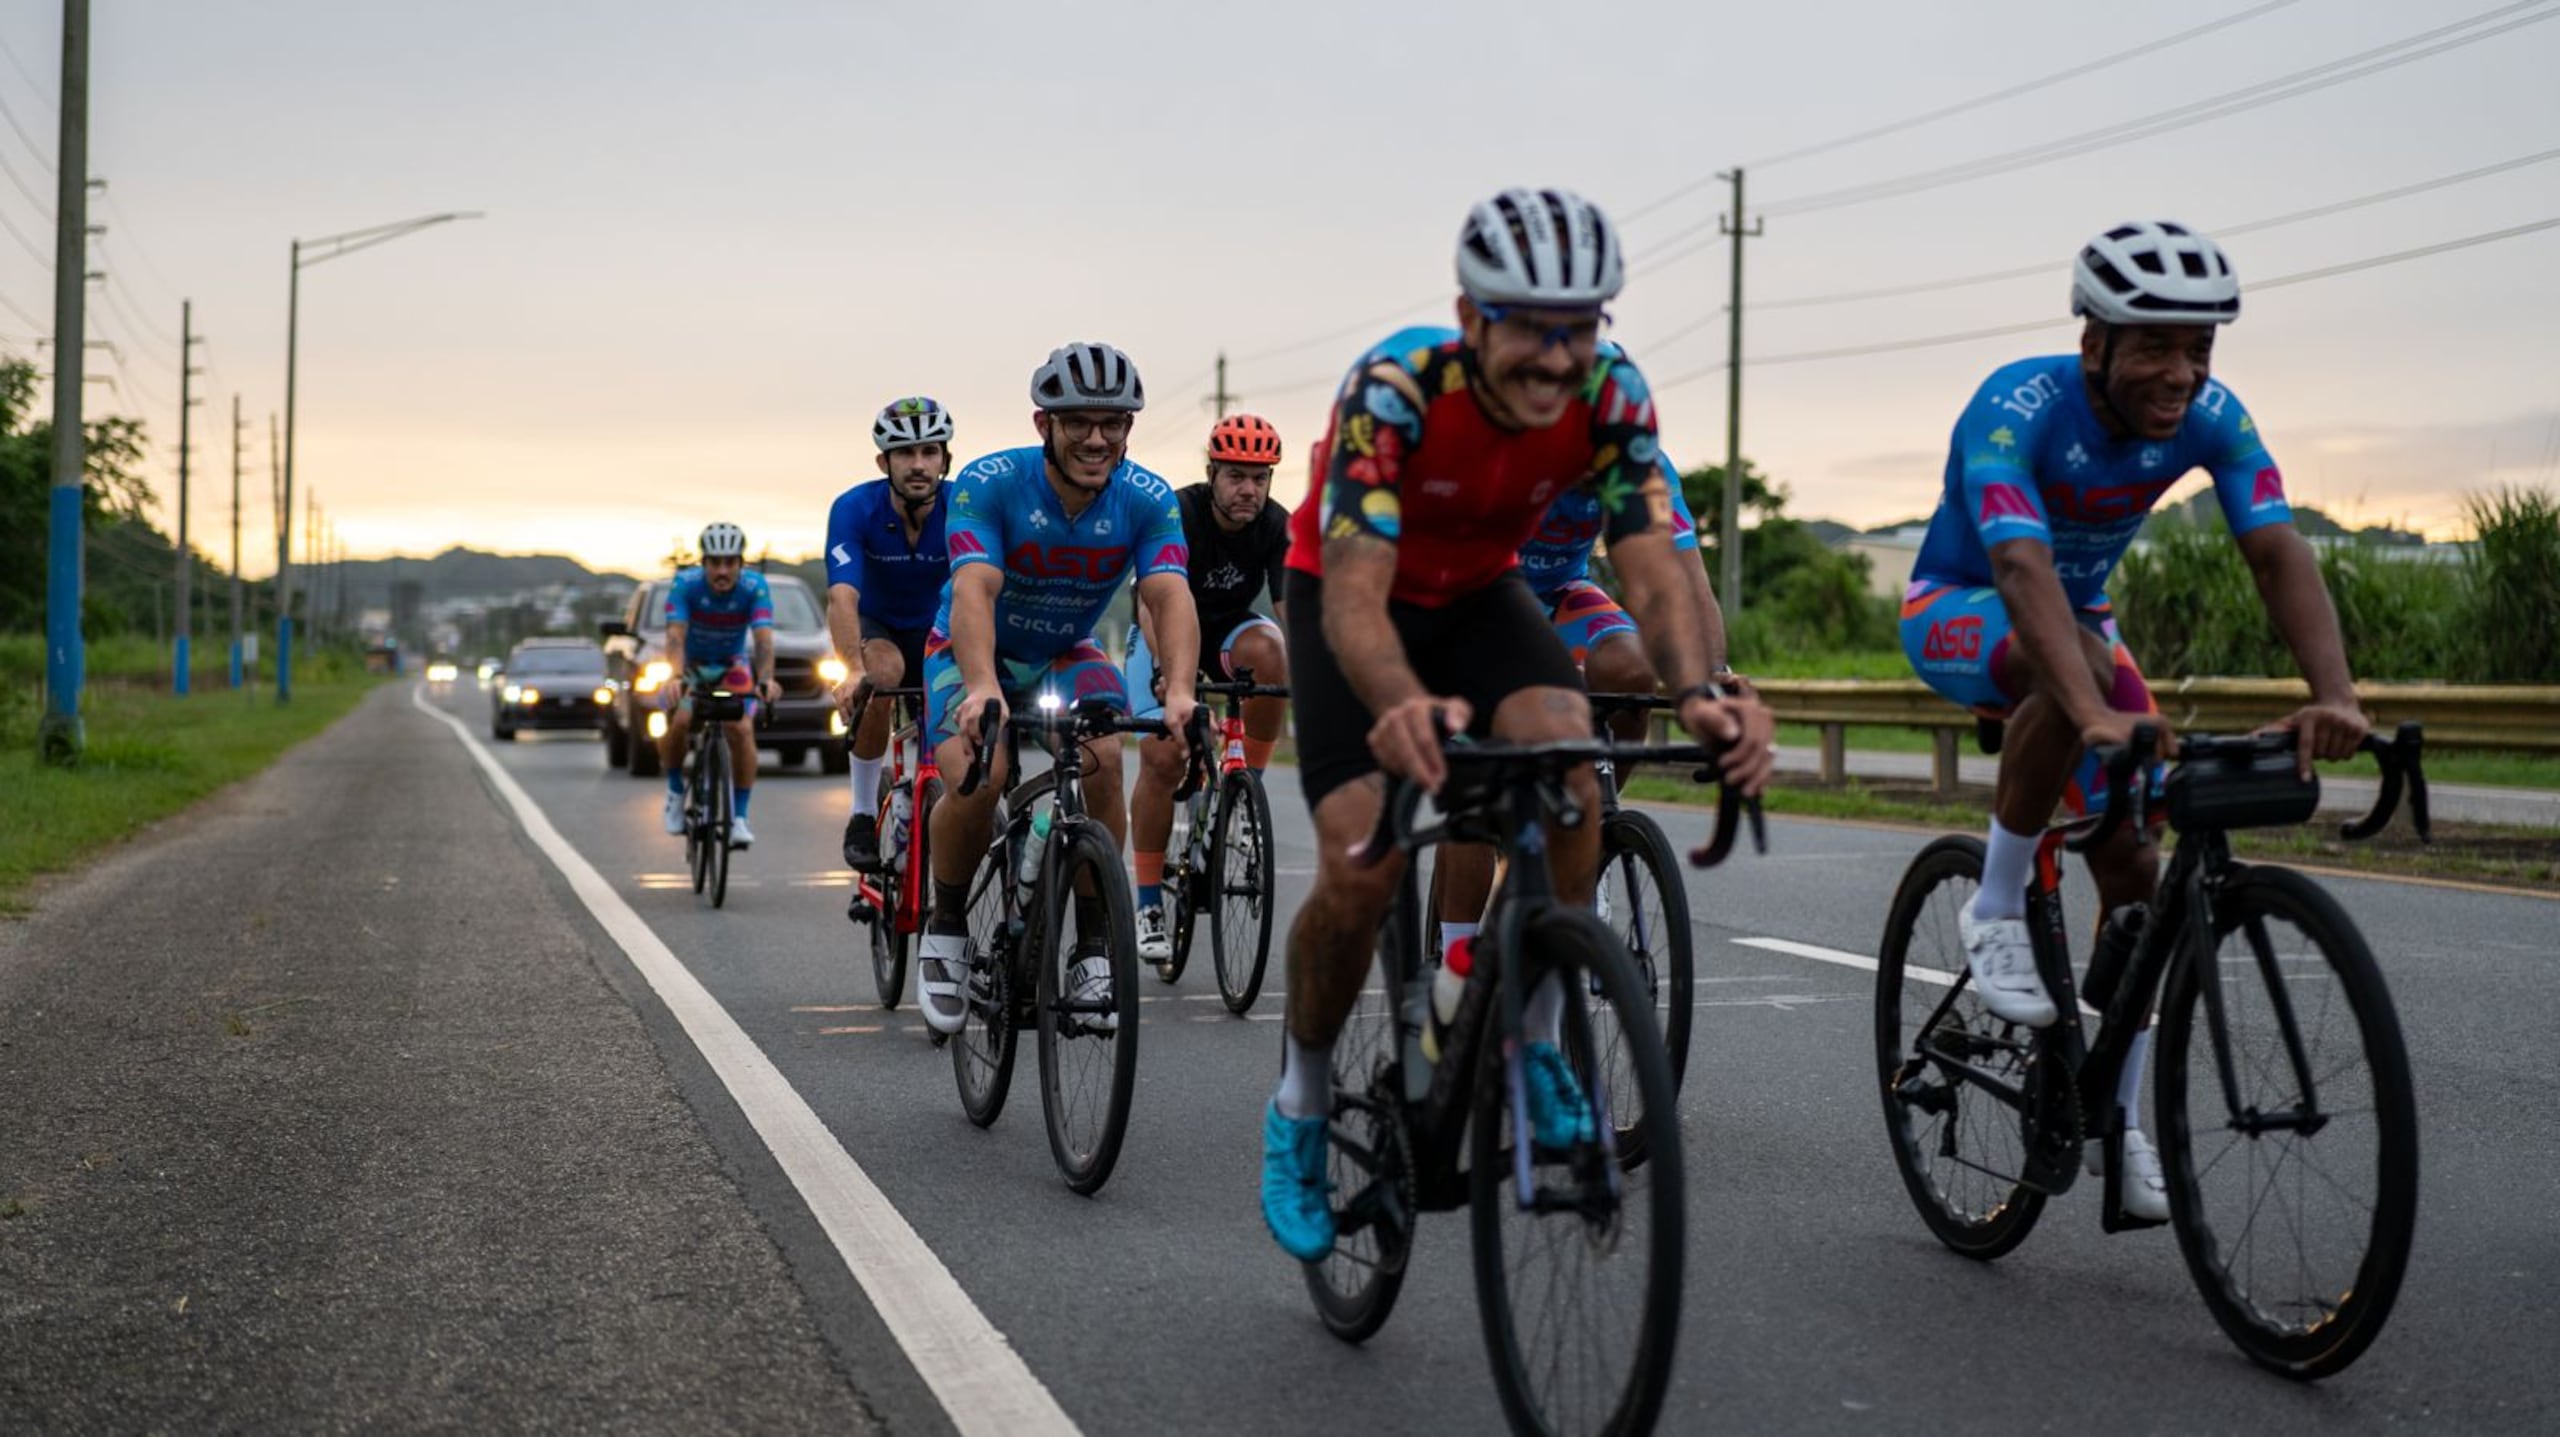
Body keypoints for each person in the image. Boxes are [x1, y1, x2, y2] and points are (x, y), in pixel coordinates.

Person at [1259, 188, 1778, 1262]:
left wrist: (1701, 691)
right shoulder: (1395, 390)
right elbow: (1356, 593)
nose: (1556, 358)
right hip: (1353, 599)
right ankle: (1300, 1103)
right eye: (1532, 330)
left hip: (1481, 593)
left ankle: (1531, 1044)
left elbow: (1651, 564)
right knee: (1361, 859)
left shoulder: (1612, 392)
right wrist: (1399, 700)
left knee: (1570, 768)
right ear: (1471, 316)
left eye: (1579, 329)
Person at [1902, 219, 2369, 1220]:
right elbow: (2020, 568)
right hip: (1960, 608)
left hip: (2084, 630)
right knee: (2065, 670)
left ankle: (2118, 1120)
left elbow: (2275, 549)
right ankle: (1991, 902)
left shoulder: (2213, 415)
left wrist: (2336, 694)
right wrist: (2086, 709)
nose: (2180, 373)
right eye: (2155, 346)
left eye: (2198, 349)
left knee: (2133, 864)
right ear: (2093, 346)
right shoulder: (2013, 406)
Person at [913, 342, 1203, 1037]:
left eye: (1114, 423)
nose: (1097, 438)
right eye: (1078, 422)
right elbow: (975, 590)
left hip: (1063, 652)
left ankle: (1095, 947)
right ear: (1044, 423)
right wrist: (981, 685)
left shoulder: (1149, 498)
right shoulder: (991, 482)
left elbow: (1169, 595)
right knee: (984, 775)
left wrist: (1183, 694)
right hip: (969, 648)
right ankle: (946, 925)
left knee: (1102, 752)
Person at [1124, 412, 1293, 969]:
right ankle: (1149, 903)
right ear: (1212, 473)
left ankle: (1244, 800)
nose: (1249, 490)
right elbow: (1152, 601)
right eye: (1236, 476)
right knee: (1165, 754)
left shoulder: (1276, 525)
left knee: (1275, 656)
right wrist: (1173, 674)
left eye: (1260, 478)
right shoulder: (1179, 512)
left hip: (1226, 631)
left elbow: (1290, 611)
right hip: (1161, 630)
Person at [826, 396, 956, 871]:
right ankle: (862, 813)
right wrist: (852, 670)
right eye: (905, 453)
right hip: (877, 627)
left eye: (929, 452)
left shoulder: (964, 506)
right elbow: (842, 598)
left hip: (939, 629)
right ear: (884, 461)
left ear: (945, 458)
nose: (918, 464)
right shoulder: (855, 508)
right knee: (882, 674)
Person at [657, 522, 782, 849]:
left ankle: (739, 818)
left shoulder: (754, 586)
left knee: (740, 730)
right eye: (715, 562)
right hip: (691, 667)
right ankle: (673, 792)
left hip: (732, 665)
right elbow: (675, 636)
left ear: (741, 563)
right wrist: (674, 676)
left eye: (730, 562)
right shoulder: (685, 584)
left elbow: (764, 639)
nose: (722, 570)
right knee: (681, 721)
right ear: (704, 563)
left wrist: (767, 679)